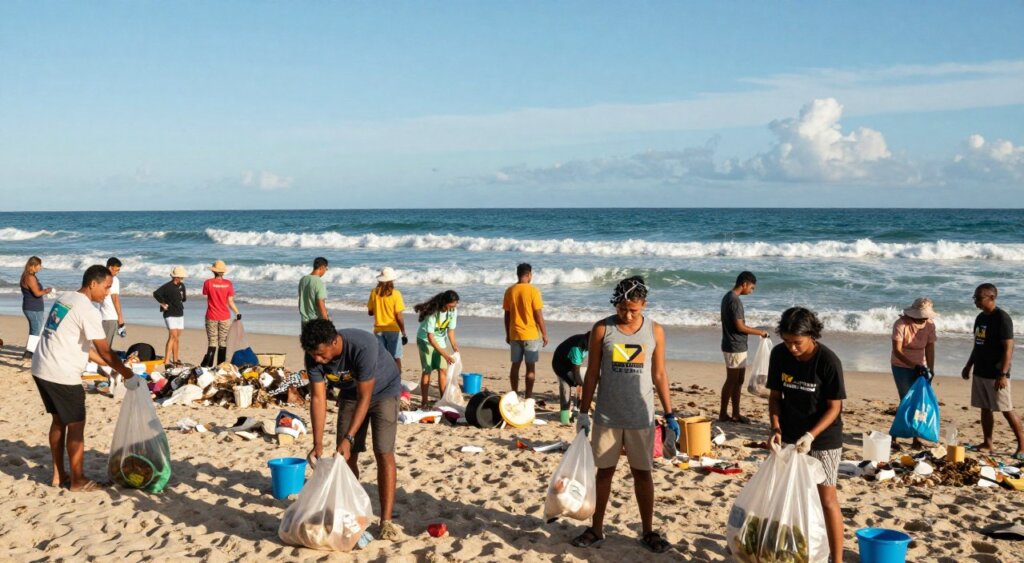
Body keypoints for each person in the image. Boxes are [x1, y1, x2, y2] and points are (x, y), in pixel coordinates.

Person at [574, 276, 678, 553]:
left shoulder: (655, 331)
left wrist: (670, 415)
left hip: (640, 416)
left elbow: (659, 374)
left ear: (644, 304)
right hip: (607, 415)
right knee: (603, 474)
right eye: (622, 308)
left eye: (633, 309)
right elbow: (592, 373)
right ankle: (596, 529)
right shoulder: (602, 329)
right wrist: (583, 413)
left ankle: (647, 531)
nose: (627, 314)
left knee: (642, 474)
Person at [32, 265, 136, 491]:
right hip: (61, 373)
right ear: (93, 284)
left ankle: (59, 475)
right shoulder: (88, 310)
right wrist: (128, 374)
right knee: (76, 425)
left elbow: (83, 346)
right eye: (106, 287)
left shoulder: (66, 298)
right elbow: (106, 351)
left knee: (59, 421)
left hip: (41, 367)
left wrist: (112, 368)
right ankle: (78, 479)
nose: (107, 292)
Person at [301, 319, 402, 540]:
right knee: (344, 457)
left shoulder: (362, 346)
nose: (317, 360)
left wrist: (349, 437)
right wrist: (317, 443)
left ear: (334, 341)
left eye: (320, 354)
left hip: (384, 391)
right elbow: (318, 399)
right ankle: (354, 515)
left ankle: (386, 521)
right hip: (349, 394)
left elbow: (365, 397)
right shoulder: (312, 355)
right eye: (313, 355)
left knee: (383, 452)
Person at [766, 307, 846, 562]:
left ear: (812, 335)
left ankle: (837, 559)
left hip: (824, 437)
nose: (792, 348)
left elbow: (835, 407)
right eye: (787, 342)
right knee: (789, 495)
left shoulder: (828, 361)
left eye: (797, 343)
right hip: (789, 433)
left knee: (827, 498)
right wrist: (775, 428)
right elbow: (775, 397)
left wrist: (811, 435)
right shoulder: (779, 355)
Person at [962, 283, 1023, 458]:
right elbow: (978, 344)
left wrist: (1003, 374)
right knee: (984, 407)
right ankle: (988, 442)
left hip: (996, 373)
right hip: (980, 370)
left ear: (991, 298)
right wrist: (969, 365)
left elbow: (1008, 348)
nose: (975, 301)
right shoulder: (980, 318)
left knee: (1006, 408)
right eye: (975, 297)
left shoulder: (1002, 318)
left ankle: (1022, 446)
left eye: (979, 298)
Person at [720, 271, 769, 423]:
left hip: (736, 345)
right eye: (752, 288)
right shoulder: (735, 301)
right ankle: (723, 413)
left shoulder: (729, 297)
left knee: (739, 380)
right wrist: (760, 332)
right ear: (744, 284)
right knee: (732, 380)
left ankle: (735, 413)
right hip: (734, 346)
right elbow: (740, 326)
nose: (751, 291)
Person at [890, 297, 937, 449]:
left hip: (921, 367)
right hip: (901, 366)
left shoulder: (929, 325)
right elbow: (897, 351)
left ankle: (916, 437)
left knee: (919, 402)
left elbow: (930, 348)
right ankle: (894, 437)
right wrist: (912, 366)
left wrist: (930, 368)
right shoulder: (901, 324)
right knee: (906, 400)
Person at [503, 263, 548, 399]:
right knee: (530, 368)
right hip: (531, 334)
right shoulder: (533, 291)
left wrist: (507, 333)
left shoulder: (510, 291)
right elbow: (538, 315)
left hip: (515, 334)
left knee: (515, 366)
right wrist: (544, 333)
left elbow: (507, 315)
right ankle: (528, 396)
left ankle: (514, 393)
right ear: (529, 275)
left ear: (518, 274)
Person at [413, 290, 460, 406]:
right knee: (427, 370)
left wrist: (454, 346)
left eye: (455, 304)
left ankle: (443, 400)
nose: (454, 306)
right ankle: (424, 402)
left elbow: (450, 331)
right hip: (425, 340)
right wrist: (445, 354)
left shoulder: (453, 311)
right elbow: (430, 337)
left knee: (443, 369)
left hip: (440, 341)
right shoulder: (433, 313)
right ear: (444, 302)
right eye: (452, 304)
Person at [367, 266, 407, 371]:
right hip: (393, 328)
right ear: (392, 280)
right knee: (396, 357)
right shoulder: (396, 294)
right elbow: (399, 316)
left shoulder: (374, 292)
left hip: (378, 329)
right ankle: (397, 380)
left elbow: (370, 312)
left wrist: (379, 307)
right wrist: (403, 332)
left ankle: (383, 380)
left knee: (382, 358)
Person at [201, 260, 241, 367]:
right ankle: (220, 367)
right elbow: (230, 301)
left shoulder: (207, 283)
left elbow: (205, 295)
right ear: (223, 272)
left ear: (213, 271)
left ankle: (208, 368)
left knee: (212, 342)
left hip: (211, 315)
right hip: (224, 316)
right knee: (223, 343)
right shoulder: (228, 284)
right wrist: (237, 312)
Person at [551, 332, 590, 422]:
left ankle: (577, 412)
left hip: (570, 364)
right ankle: (564, 418)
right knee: (566, 389)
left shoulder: (585, 340)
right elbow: (576, 371)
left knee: (581, 385)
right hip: (560, 366)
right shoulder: (577, 347)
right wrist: (579, 382)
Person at [20, 256, 53, 360]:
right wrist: (46, 291)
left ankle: (29, 352)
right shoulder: (30, 277)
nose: (40, 267)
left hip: (32, 307)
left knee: (34, 330)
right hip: (32, 308)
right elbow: (37, 293)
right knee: (36, 331)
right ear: (33, 266)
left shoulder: (28, 276)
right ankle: (29, 354)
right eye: (39, 265)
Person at [153, 266, 187, 365]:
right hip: (170, 313)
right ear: (175, 277)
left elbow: (184, 299)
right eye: (180, 277)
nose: (181, 279)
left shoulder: (182, 286)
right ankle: (167, 360)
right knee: (173, 336)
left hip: (180, 312)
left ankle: (176, 359)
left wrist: (180, 298)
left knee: (177, 337)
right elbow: (156, 294)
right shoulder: (167, 286)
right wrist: (163, 303)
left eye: (182, 277)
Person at [98, 257, 125, 349]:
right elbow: (115, 298)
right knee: (106, 346)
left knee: (101, 343)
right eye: (116, 270)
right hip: (111, 316)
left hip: (102, 315)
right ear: (110, 268)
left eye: (118, 270)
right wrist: (120, 318)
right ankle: (102, 363)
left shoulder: (100, 278)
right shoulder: (114, 280)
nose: (117, 273)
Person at [298, 257, 330, 326]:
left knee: (306, 337)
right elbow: (320, 302)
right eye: (326, 269)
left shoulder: (303, 280)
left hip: (304, 320)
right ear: (322, 267)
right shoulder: (318, 282)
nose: (325, 271)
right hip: (315, 321)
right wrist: (326, 320)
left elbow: (301, 299)